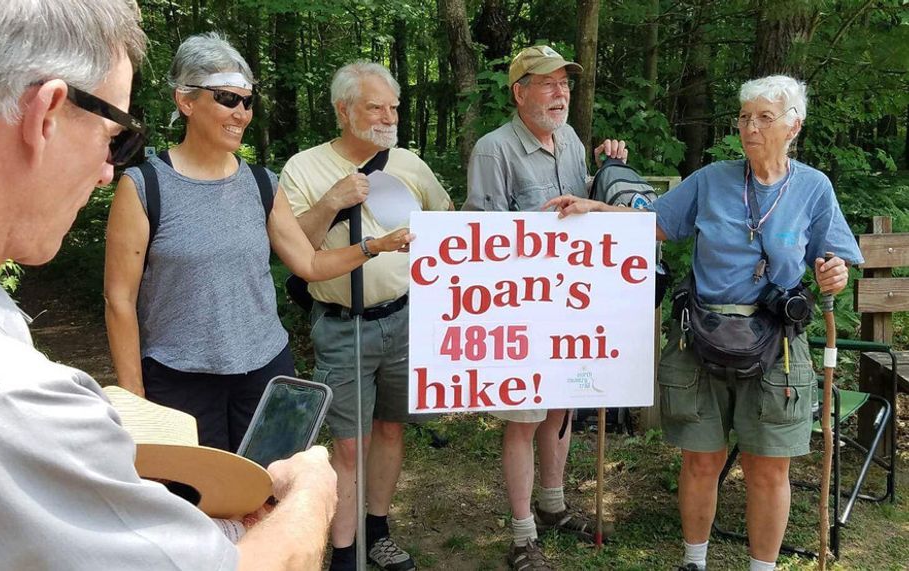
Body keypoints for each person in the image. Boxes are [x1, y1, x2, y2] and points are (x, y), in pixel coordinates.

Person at [0, 2, 337, 569]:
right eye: (115, 136)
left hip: (259, 362)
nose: (108, 169)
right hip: (179, 375)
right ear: (46, 113)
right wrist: (314, 492)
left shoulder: (258, 182)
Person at [546, 75, 862, 571]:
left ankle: (763, 568)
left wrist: (833, 273)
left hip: (775, 342)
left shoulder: (813, 188)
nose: (750, 127)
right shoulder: (713, 179)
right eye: (744, 117)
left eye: (763, 117)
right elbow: (653, 221)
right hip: (702, 338)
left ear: (793, 125)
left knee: (767, 470)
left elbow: (835, 260)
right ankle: (694, 562)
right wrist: (594, 208)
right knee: (700, 461)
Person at [104, 33, 412, 454]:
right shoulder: (144, 187)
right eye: (227, 98)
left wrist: (375, 246)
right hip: (180, 379)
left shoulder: (261, 183)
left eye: (247, 101)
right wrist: (134, 396)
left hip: (265, 372)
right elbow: (119, 300)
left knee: (268, 496)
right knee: (196, 506)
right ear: (186, 101)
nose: (241, 113)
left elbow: (309, 264)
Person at [280, 61, 454, 571]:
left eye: (393, 107)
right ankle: (342, 552)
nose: (388, 116)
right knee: (349, 448)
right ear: (343, 109)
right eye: (375, 106)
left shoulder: (409, 163)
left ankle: (376, 531)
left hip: (404, 320)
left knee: (392, 432)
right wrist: (333, 201)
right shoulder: (304, 168)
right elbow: (298, 248)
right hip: (342, 325)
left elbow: (447, 226)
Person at [462, 44, 625, 571]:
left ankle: (553, 507)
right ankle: (521, 535)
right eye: (548, 83)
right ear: (519, 91)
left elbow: (584, 215)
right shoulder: (494, 150)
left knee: (562, 407)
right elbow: (480, 241)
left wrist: (610, 171)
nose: (561, 93)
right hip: (520, 311)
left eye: (565, 84)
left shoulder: (572, 140)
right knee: (523, 419)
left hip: (571, 309)